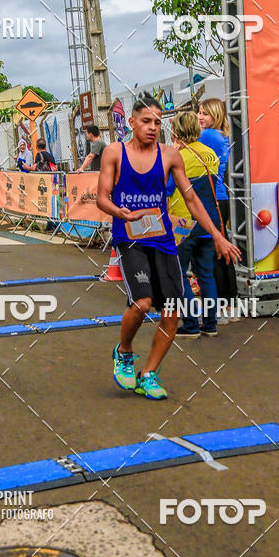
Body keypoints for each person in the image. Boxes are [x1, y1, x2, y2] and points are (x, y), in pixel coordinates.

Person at [97, 93, 241, 401]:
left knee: (173, 311)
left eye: (157, 122)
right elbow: (102, 197)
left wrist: (217, 235)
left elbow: (192, 199)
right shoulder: (113, 152)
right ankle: (124, 352)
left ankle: (148, 374)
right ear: (132, 122)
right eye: (146, 121)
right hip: (131, 238)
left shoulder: (170, 155)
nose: (152, 127)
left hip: (162, 240)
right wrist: (119, 212)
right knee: (143, 303)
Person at [167, 111, 221, 338]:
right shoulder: (211, 154)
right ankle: (210, 324)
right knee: (206, 275)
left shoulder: (177, 157)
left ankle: (190, 325)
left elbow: (168, 189)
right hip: (209, 222)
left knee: (179, 274)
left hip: (183, 223)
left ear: (176, 131)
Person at [198, 97, 239, 320]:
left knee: (212, 253)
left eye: (204, 113)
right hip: (220, 198)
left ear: (215, 115)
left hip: (212, 198)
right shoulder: (222, 136)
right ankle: (230, 305)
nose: (199, 117)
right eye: (199, 112)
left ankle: (220, 308)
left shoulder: (207, 136)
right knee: (222, 251)